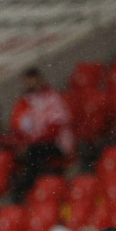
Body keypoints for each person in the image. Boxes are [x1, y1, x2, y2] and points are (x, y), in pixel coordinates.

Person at [9, 67, 73, 199]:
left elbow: (58, 123)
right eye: (28, 81)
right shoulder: (23, 102)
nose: (30, 84)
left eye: (33, 80)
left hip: (56, 142)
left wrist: (37, 138)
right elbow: (17, 125)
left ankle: (28, 188)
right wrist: (23, 141)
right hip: (34, 143)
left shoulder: (52, 98)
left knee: (35, 152)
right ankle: (27, 190)